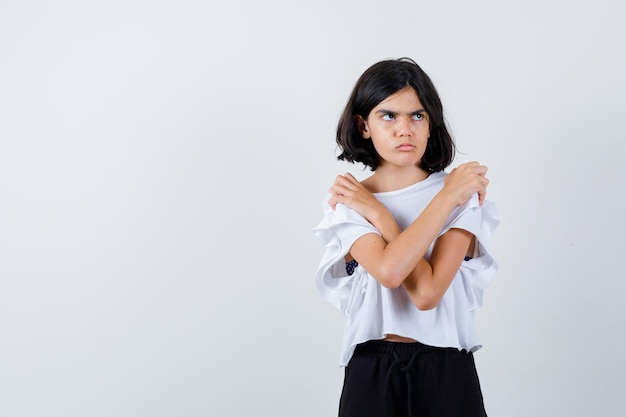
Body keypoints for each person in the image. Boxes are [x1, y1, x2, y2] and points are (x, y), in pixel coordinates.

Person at [312, 57, 500, 417]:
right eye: (388, 115)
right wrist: (439, 200)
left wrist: (384, 213)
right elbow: (389, 270)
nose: (405, 129)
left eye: (417, 115)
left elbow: (427, 293)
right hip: (371, 366)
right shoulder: (348, 199)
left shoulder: (459, 194)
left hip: (446, 366)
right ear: (363, 125)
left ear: (431, 123)